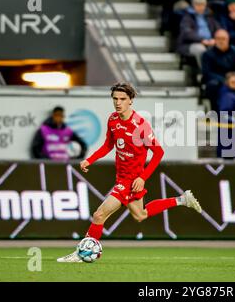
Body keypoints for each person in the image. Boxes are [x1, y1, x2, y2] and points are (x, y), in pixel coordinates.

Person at [57, 82, 202, 263]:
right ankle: (182, 200)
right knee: (140, 215)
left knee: (99, 215)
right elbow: (108, 145)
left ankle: (81, 253)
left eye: (123, 99)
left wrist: (142, 177)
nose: (118, 103)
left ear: (131, 100)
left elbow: (158, 153)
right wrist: (90, 159)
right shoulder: (113, 120)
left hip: (130, 180)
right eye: (115, 99)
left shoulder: (140, 125)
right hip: (123, 177)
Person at [201, 29, 235, 110]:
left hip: (234, 80)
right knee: (215, 86)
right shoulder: (207, 54)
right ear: (215, 40)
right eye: (218, 38)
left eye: (223, 39)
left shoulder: (234, 52)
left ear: (228, 40)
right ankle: (221, 117)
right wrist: (226, 81)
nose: (221, 41)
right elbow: (207, 72)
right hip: (218, 81)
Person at [177, 0, 220, 68]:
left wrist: (216, 39)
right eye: (198, 5)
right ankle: (205, 72)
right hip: (191, 44)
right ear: (193, 5)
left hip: (210, 42)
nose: (201, 7)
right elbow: (187, 33)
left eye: (203, 5)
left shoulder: (209, 16)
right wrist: (202, 40)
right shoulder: (187, 17)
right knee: (201, 49)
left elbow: (219, 30)